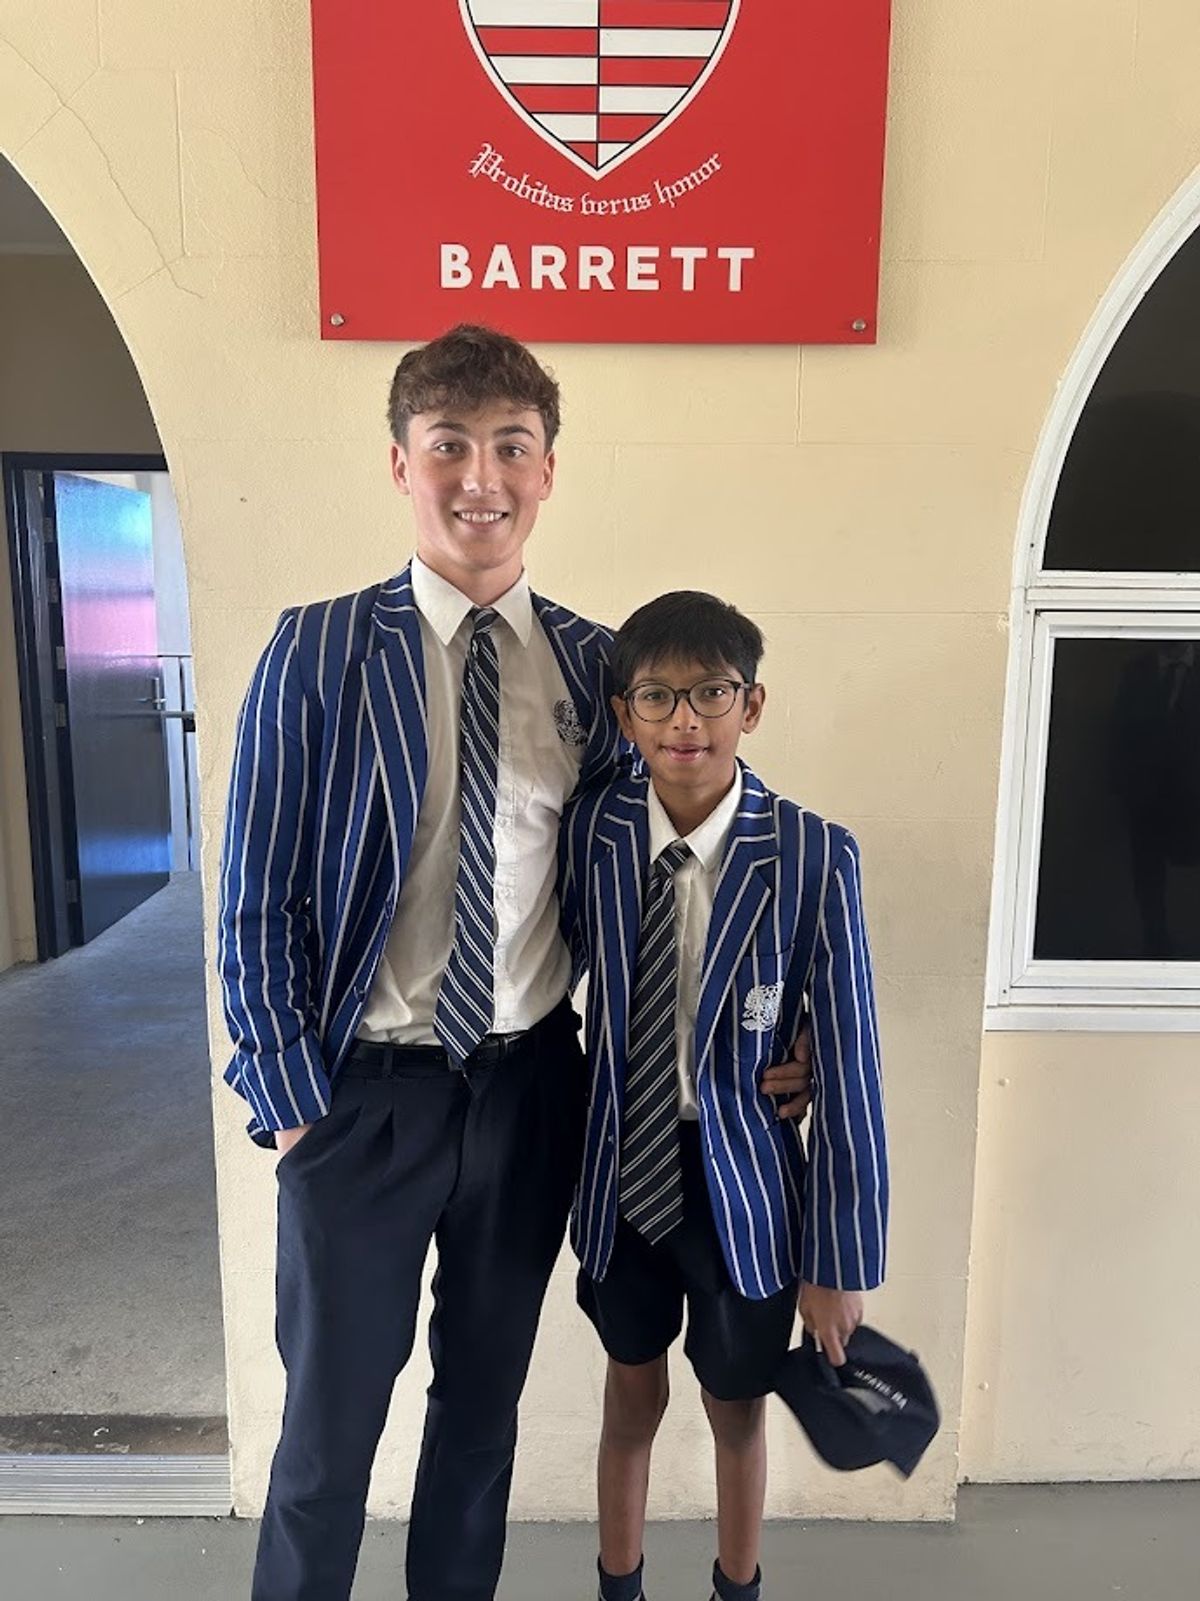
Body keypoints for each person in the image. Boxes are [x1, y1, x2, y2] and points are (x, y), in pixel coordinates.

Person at [216, 326, 814, 1601]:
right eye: (448, 446)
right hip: (362, 1099)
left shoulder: (600, 668)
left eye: (510, 447)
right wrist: (290, 1105)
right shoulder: (317, 651)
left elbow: (667, 871)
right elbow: (255, 895)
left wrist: (774, 1029)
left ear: (548, 470)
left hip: (532, 1093)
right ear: (401, 462)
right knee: (328, 1432)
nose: (478, 477)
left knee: (480, 1416)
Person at [559, 591, 889, 1601]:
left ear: (752, 704)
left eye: (710, 693)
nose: (684, 721)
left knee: (735, 1405)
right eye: (655, 697)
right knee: (630, 1395)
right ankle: (620, 1586)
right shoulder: (593, 833)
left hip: (744, 1190)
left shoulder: (811, 853)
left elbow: (854, 1063)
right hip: (624, 1175)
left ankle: (735, 1587)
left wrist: (838, 1261)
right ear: (624, 714)